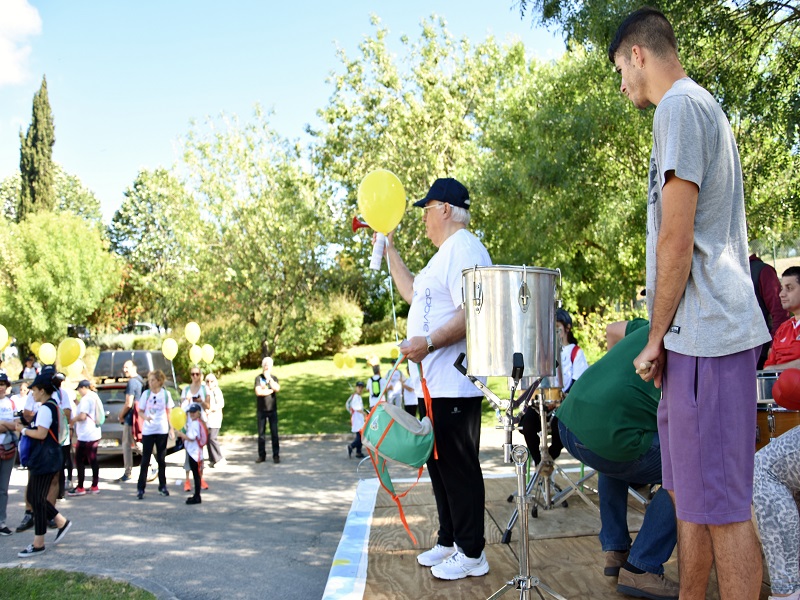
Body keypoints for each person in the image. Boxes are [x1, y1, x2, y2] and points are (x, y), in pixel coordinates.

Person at [610, 8, 771, 599]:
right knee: (690, 500)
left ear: (637, 55)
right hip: (692, 341)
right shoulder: (692, 109)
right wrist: (666, 340)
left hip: (710, 339)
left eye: (619, 71)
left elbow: (676, 239)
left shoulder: (679, 107)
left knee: (723, 509)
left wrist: (653, 338)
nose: (621, 86)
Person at [383, 176, 492, 581]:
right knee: (440, 465)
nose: (424, 219)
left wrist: (427, 343)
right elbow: (413, 293)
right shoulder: (444, 255)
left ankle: (472, 552)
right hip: (434, 385)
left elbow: (475, 312)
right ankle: (449, 540)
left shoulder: (464, 247)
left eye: (427, 210)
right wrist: (389, 247)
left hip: (455, 382)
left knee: (459, 468)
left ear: (444, 209)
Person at [556, 320, 678, 600]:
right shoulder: (691, 341)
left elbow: (611, 329)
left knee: (613, 453)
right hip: (608, 437)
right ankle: (642, 567)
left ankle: (615, 547)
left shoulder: (651, 325)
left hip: (569, 421)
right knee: (690, 471)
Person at [519, 308, 588, 469]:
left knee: (559, 427)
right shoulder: (542, 352)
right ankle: (539, 463)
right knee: (527, 424)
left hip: (564, 403)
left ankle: (550, 456)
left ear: (567, 328)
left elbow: (578, 382)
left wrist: (561, 398)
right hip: (541, 401)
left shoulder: (575, 352)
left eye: (557, 327)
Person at [14, 372, 72, 557]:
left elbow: (41, 433)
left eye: (34, 390)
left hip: (45, 457)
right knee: (35, 496)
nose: (32, 393)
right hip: (49, 456)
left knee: (37, 498)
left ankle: (38, 543)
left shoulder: (46, 408)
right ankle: (60, 522)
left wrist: (23, 430)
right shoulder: (52, 405)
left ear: (42, 390)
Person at [136, 369, 175, 500]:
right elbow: (140, 411)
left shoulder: (165, 394)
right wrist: (145, 418)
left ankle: (162, 486)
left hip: (161, 429)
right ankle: (141, 488)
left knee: (161, 459)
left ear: (159, 381)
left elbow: (169, 412)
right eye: (149, 380)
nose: (150, 383)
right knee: (145, 459)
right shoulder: (146, 394)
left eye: (153, 380)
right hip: (148, 430)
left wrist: (171, 429)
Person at [750, 255, 790, 369]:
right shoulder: (721, 272)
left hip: (759, 351)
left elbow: (780, 312)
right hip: (725, 351)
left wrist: (774, 346)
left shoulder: (761, 271)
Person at [67, 380, 101, 496]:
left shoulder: (86, 399)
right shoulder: (94, 396)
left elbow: (82, 416)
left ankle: (80, 487)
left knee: (79, 460)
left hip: (86, 435)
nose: (79, 392)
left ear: (84, 388)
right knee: (93, 459)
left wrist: (72, 420)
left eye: (79, 389)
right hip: (94, 433)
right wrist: (76, 402)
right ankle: (95, 485)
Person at [764, 267, 800, 370]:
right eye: (782, 288)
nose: (781, 294)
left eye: (789, 288)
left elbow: (771, 369)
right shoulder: (783, 329)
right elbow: (768, 367)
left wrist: (776, 369)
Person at [181, 367, 208, 492]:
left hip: (200, 423)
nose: (195, 376)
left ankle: (200, 478)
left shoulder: (204, 389)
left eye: (197, 374)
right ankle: (187, 480)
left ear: (201, 375)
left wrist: (201, 401)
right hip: (189, 423)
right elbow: (182, 408)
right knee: (188, 453)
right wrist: (187, 400)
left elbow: (208, 406)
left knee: (199, 453)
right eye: (193, 374)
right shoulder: (186, 389)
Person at [117, 360, 143, 482]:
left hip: (130, 418)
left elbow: (129, 403)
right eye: (124, 367)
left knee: (127, 445)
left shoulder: (132, 382)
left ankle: (128, 473)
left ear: (134, 368)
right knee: (137, 443)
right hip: (138, 417)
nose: (125, 370)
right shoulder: (140, 380)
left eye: (127, 367)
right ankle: (154, 464)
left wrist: (121, 415)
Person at [0, 373, 18, 536]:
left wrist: (3, 423)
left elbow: (17, 425)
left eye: (3, 384)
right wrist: (8, 425)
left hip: (8, 447)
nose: (1, 387)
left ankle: (1, 521)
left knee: (3, 488)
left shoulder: (11, 403)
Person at [176, 403, 204, 505]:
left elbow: (192, 438)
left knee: (196, 475)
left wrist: (181, 435)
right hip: (194, 452)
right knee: (196, 474)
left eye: (194, 412)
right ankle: (196, 495)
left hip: (194, 453)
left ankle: (197, 496)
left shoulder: (195, 423)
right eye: (190, 412)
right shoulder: (195, 422)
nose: (192, 414)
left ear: (198, 413)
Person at [254, 357, 280, 464]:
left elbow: (277, 388)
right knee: (261, 434)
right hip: (261, 410)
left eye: (269, 365)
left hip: (272, 409)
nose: (267, 367)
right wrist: (270, 390)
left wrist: (269, 380)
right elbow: (258, 392)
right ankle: (261, 455)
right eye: (265, 365)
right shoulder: (258, 378)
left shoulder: (274, 378)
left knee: (274, 433)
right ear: (262, 366)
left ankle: (276, 455)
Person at [203, 373, 225, 468]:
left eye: (211, 381)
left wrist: (211, 409)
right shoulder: (205, 391)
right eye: (207, 381)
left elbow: (221, 404)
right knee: (208, 439)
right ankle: (212, 459)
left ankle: (219, 458)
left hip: (215, 418)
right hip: (207, 419)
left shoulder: (217, 391)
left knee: (212, 437)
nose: (209, 383)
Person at [345, 382, 366, 459]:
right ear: (356, 388)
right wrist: (364, 413)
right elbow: (357, 408)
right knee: (360, 437)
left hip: (359, 419)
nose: (360, 389)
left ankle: (358, 452)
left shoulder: (358, 397)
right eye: (359, 387)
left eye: (361, 388)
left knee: (360, 435)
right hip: (357, 419)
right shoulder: (356, 397)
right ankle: (351, 446)